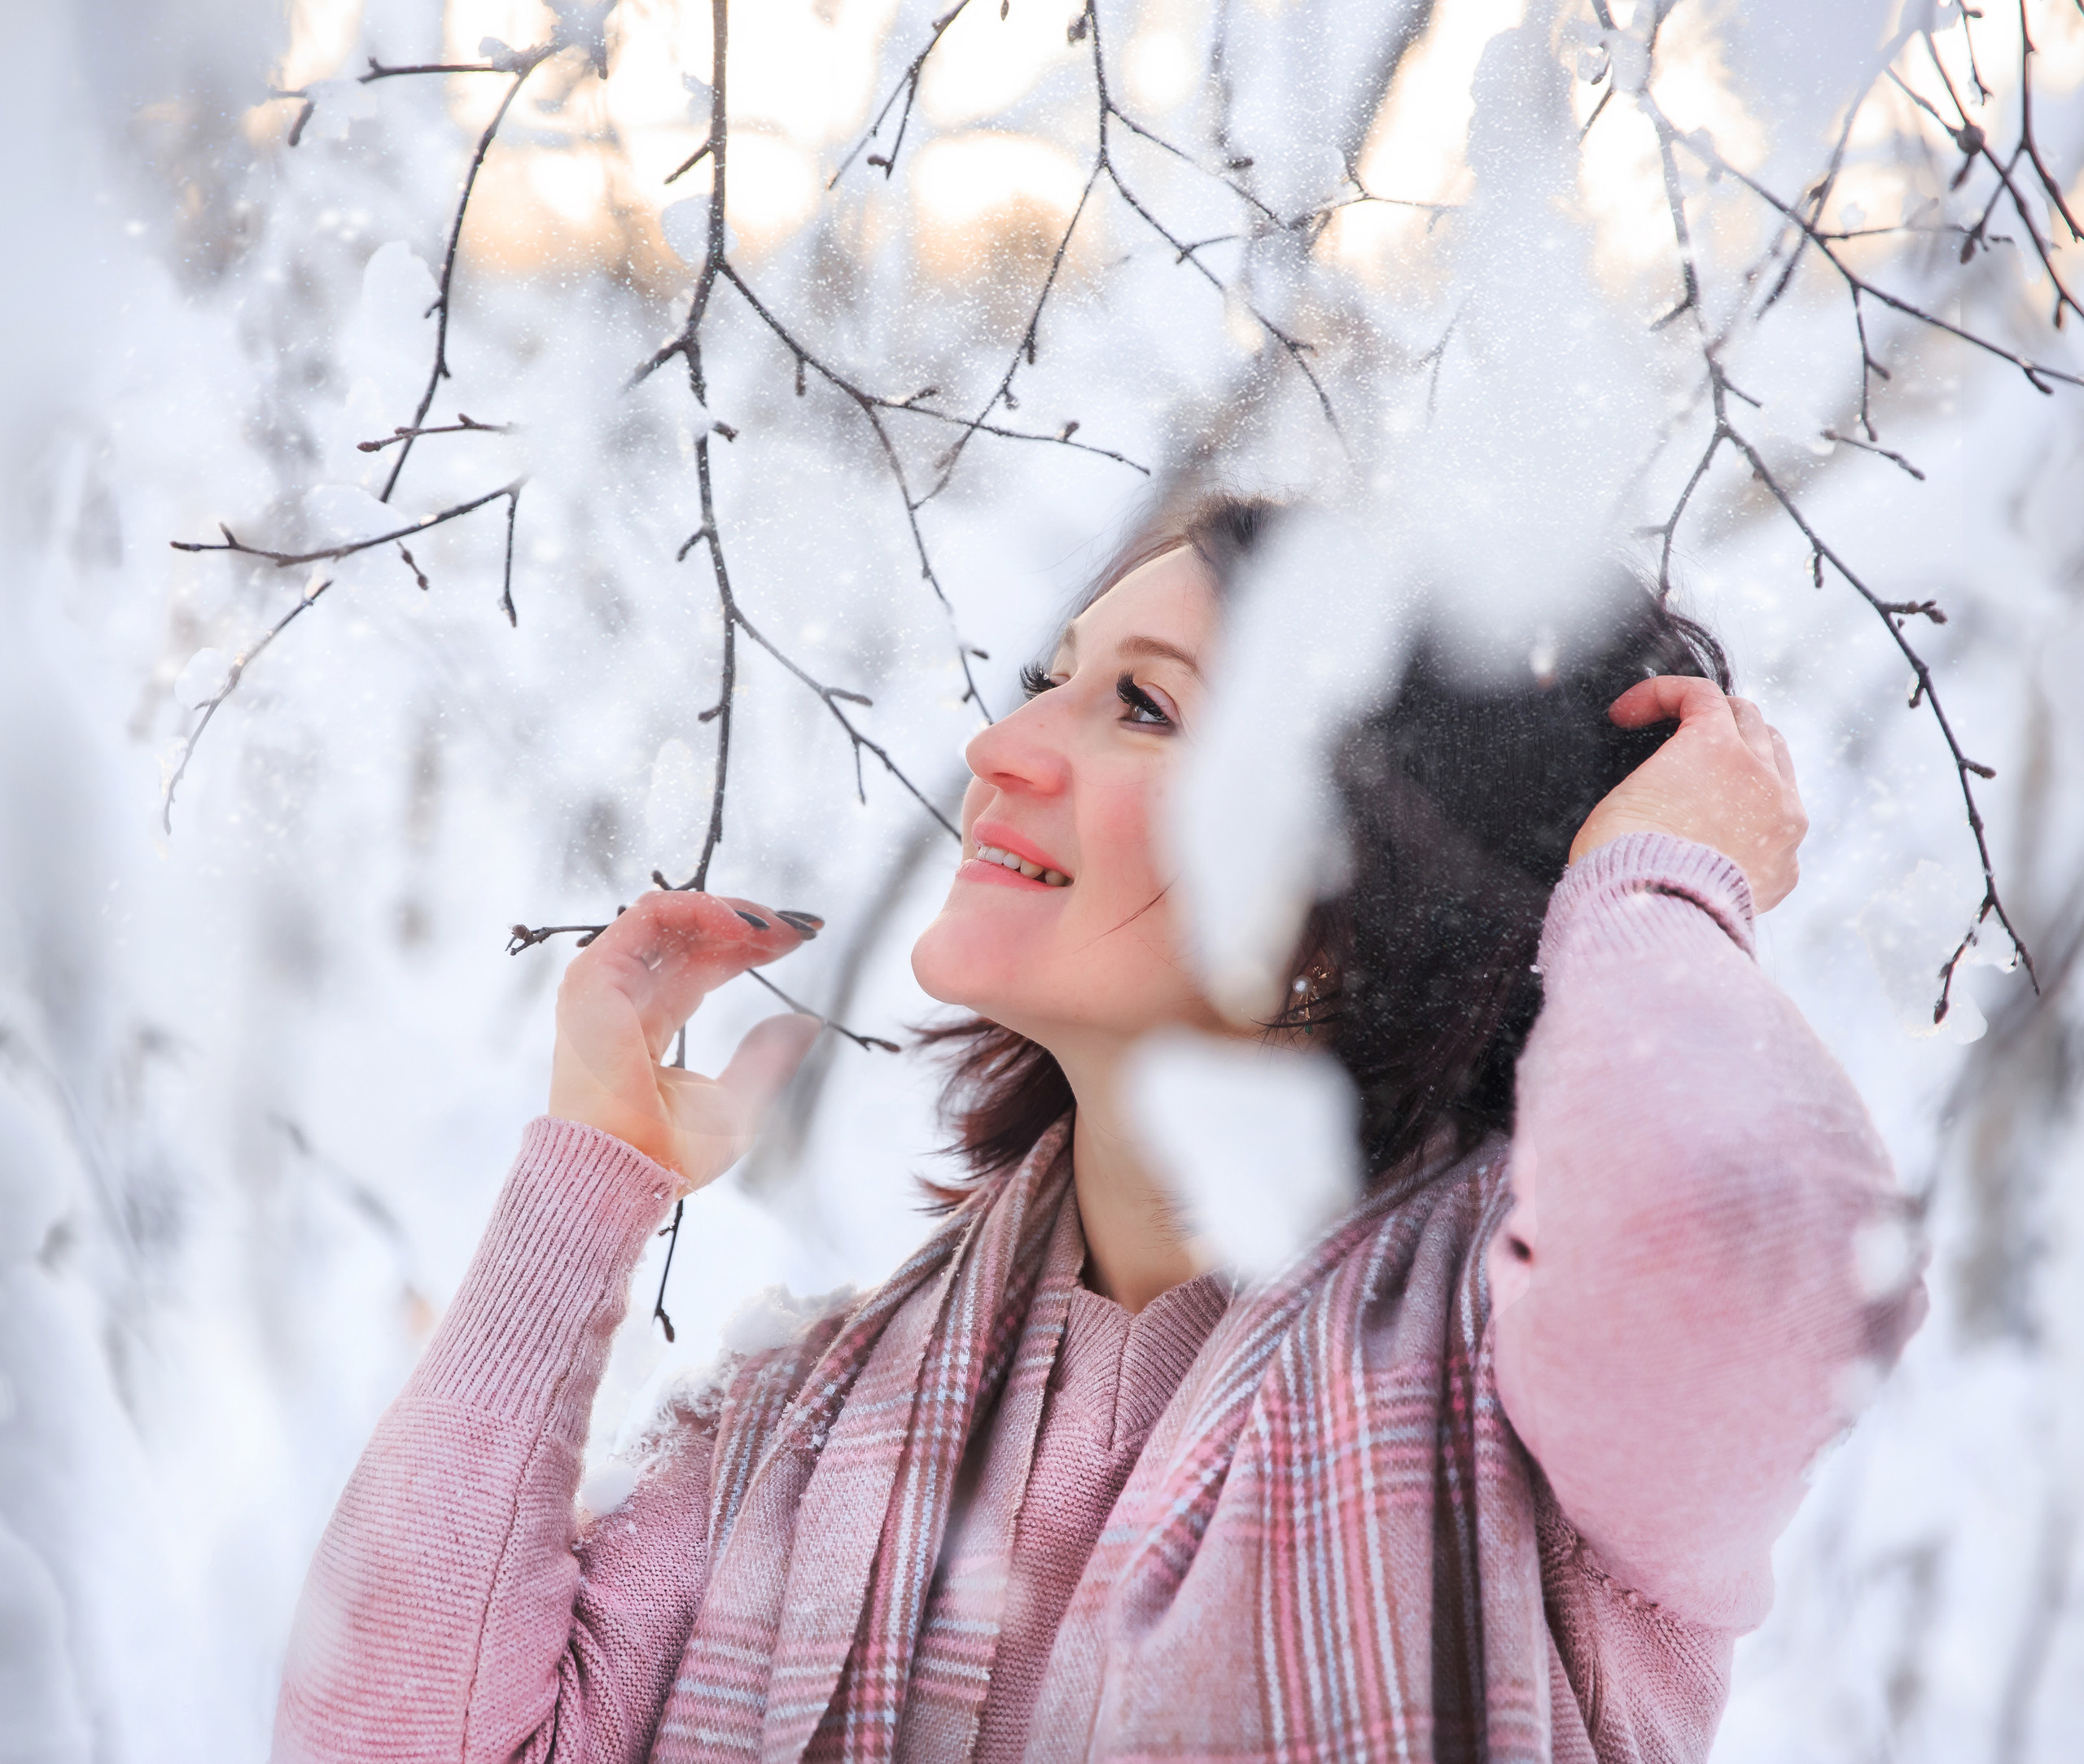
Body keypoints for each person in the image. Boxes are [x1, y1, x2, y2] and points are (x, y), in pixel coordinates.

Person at [272, 498, 1924, 1764]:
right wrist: (582, 1190)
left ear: (1353, 876)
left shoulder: (1534, 1391)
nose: (997, 749)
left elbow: (1742, 1243)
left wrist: (1652, 886)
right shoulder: (800, 1426)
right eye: (1042, 680)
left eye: (1137, 706)